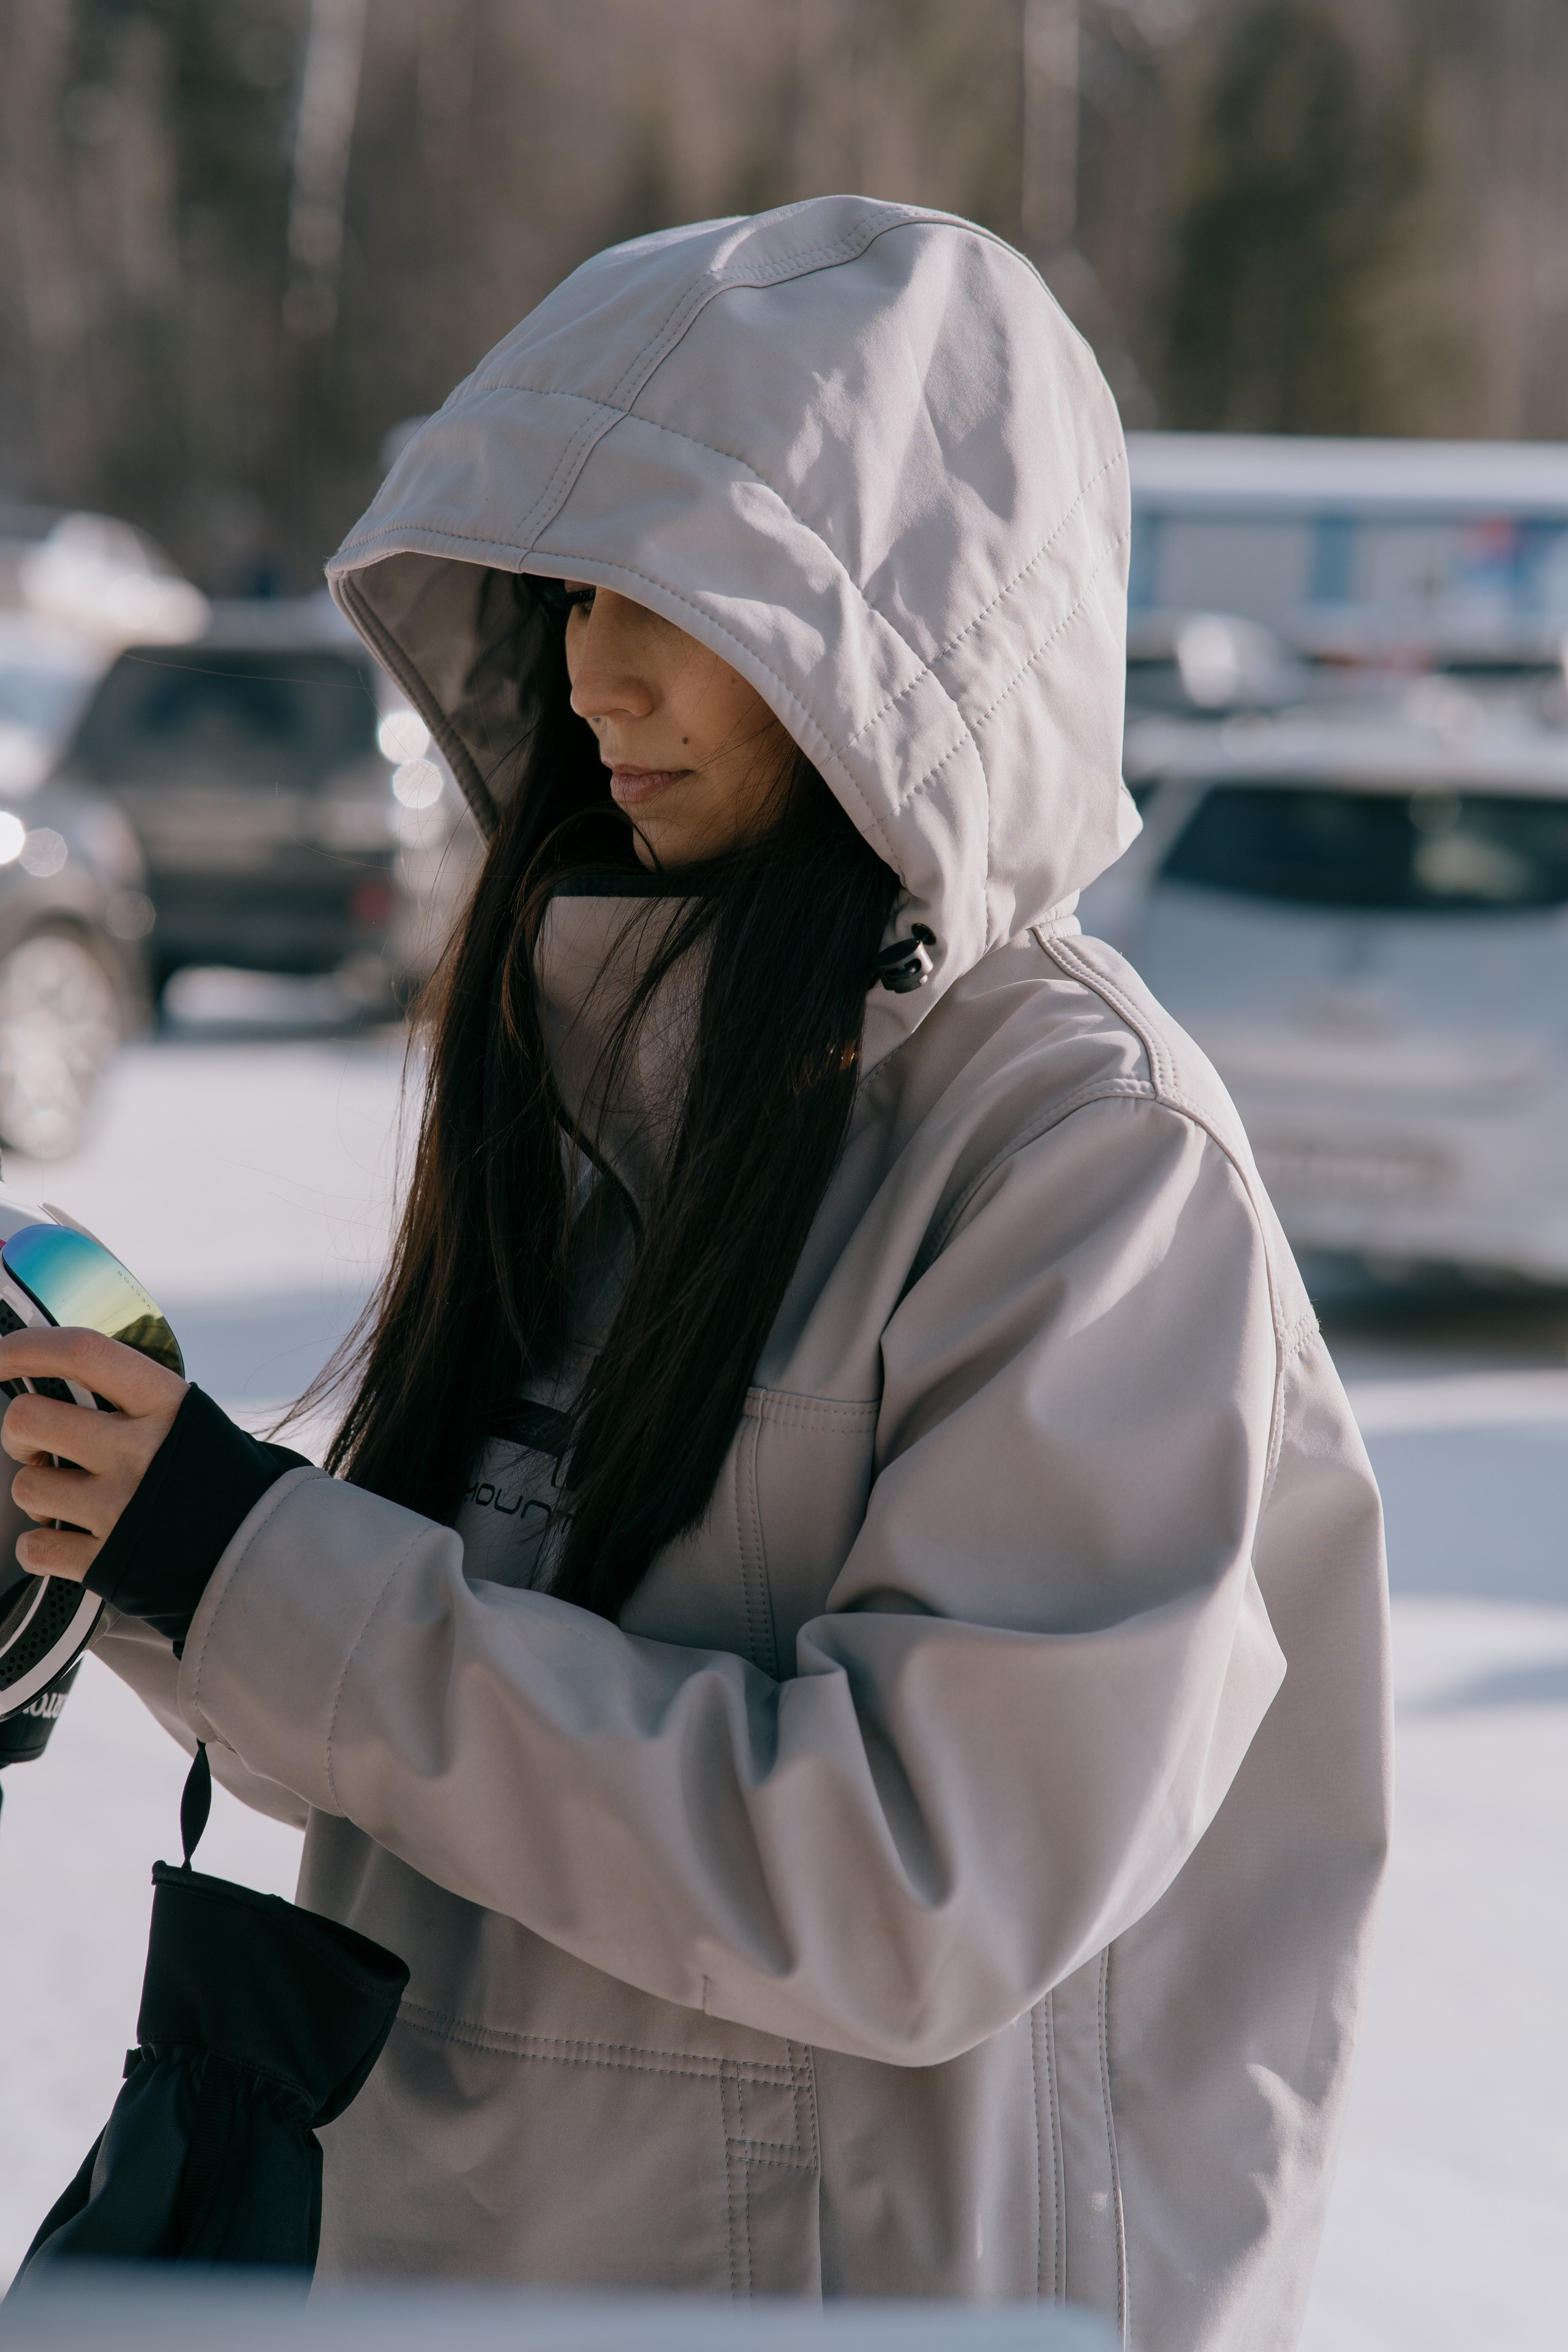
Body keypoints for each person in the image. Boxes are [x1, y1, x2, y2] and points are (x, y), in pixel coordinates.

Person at [0, 198, 1390, 2348]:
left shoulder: (1088, 1171)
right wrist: (144, 1534)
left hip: (867, 2307)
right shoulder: (610, 1060)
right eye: (566, 590)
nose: (590, 671)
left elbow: (911, 1884)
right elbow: (447, 1707)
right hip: (470, 2269)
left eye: (683, 595)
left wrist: (256, 1560)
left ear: (912, 632)